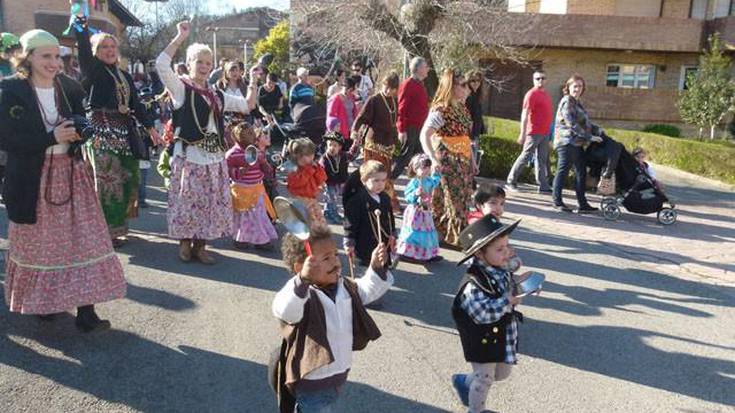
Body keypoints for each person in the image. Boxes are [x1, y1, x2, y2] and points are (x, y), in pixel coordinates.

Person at [0, 29, 126, 332]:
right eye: (46, 56)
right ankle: (46, 302)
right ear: (26, 57)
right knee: (43, 245)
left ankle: (87, 310)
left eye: (57, 56)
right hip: (33, 178)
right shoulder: (9, 91)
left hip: (71, 173)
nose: (54, 62)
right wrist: (51, 136)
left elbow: (82, 119)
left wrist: (82, 132)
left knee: (86, 240)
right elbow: (8, 140)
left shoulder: (69, 87)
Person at [156, 21, 258, 264]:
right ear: (189, 64)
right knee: (187, 201)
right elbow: (161, 64)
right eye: (199, 62)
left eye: (208, 63)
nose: (203, 66)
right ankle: (184, 243)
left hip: (213, 157)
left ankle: (201, 246)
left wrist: (253, 80)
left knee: (210, 203)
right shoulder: (180, 88)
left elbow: (247, 105)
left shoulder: (217, 94)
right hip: (190, 155)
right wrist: (179, 37)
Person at [271, 226, 393, 413]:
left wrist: (376, 266)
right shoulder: (302, 294)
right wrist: (303, 280)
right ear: (300, 267)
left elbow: (368, 290)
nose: (336, 262)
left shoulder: (344, 286)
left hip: (337, 375)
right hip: (312, 383)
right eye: (326, 258)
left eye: (335, 254)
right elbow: (285, 310)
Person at [73, 15, 159, 247]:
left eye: (112, 46)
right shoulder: (92, 70)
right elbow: (82, 47)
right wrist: (81, 25)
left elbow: (136, 106)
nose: (109, 50)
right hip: (100, 130)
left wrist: (151, 128)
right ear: (95, 51)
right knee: (105, 182)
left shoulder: (125, 75)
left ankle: (116, 228)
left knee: (124, 180)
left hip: (123, 132)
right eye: (103, 47)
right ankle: (102, 231)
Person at [451, 215, 524, 413]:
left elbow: (514, 264)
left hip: (500, 334)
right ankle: (475, 410)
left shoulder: (498, 264)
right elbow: (483, 313)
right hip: (481, 337)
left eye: (507, 245)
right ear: (480, 255)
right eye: (500, 249)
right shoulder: (473, 285)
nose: (507, 252)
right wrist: (507, 301)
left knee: (502, 373)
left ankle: (463, 381)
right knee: (484, 379)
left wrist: (522, 283)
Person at [420, 68, 476, 248]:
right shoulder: (440, 110)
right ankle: (454, 236)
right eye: (462, 85)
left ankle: (447, 233)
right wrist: (433, 159)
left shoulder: (463, 109)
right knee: (452, 199)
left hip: (464, 160)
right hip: (448, 160)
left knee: (462, 198)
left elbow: (467, 138)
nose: (466, 89)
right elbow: (424, 135)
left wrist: (473, 160)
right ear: (451, 87)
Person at [552, 74, 603, 214]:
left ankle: (582, 204)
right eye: (575, 86)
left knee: (581, 172)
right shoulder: (567, 101)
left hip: (577, 143)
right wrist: (589, 137)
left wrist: (598, 130)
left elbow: (585, 123)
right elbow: (571, 123)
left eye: (580, 86)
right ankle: (557, 202)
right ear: (568, 87)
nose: (578, 89)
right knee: (562, 171)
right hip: (567, 141)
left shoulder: (577, 102)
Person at [351, 72, 401, 211]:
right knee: (374, 174)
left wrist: (396, 140)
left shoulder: (394, 101)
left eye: (391, 88)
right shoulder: (374, 100)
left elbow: (394, 123)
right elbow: (361, 117)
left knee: (386, 175)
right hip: (374, 143)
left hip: (388, 143)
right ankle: (383, 203)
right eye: (385, 86)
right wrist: (355, 130)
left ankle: (384, 203)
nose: (387, 90)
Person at [226, 123, 278, 250]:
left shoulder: (257, 152)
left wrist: (264, 163)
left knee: (258, 216)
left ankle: (261, 240)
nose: (253, 136)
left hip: (256, 189)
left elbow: (267, 170)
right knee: (243, 217)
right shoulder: (232, 154)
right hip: (241, 190)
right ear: (237, 137)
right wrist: (239, 172)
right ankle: (241, 238)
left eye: (252, 133)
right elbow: (228, 171)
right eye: (248, 134)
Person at [506, 70, 553, 194]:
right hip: (533, 132)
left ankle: (543, 185)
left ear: (546, 80)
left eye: (542, 78)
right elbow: (525, 114)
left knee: (542, 159)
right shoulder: (531, 94)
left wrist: (550, 135)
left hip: (545, 133)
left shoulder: (546, 95)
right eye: (537, 78)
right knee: (525, 156)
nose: (540, 81)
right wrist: (522, 133)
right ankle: (511, 181)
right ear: (533, 80)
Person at [344, 160, 397, 267]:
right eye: (376, 180)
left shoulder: (385, 197)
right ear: (364, 180)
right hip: (365, 242)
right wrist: (349, 241)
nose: (380, 184)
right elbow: (350, 223)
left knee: (383, 268)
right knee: (368, 270)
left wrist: (393, 233)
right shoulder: (357, 200)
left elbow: (390, 217)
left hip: (383, 241)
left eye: (383, 180)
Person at [396, 154, 442, 263]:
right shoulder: (414, 182)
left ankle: (428, 253)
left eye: (428, 168)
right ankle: (407, 252)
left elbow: (435, 182)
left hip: (426, 210)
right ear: (415, 169)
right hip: (415, 211)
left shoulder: (428, 180)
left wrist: (437, 173)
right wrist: (415, 194)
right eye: (423, 168)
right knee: (413, 232)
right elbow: (407, 195)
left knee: (428, 231)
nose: (426, 170)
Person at [392, 57, 430, 180]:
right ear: (418, 68)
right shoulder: (408, 84)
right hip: (410, 128)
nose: (427, 69)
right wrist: (401, 130)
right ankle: (387, 183)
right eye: (425, 67)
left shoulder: (420, 84)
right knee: (403, 158)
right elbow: (401, 109)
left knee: (421, 160)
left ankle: (418, 189)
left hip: (420, 128)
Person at [286, 137, 327, 228]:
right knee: (304, 224)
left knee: (317, 222)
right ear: (300, 156)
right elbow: (298, 183)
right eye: (309, 155)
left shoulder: (311, 166)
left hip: (312, 199)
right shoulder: (294, 169)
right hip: (300, 200)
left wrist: (318, 169)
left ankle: (313, 239)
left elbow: (322, 179)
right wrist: (309, 170)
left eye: (312, 154)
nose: (313, 156)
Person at [216, 60, 250, 144]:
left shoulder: (244, 86)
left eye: (237, 70)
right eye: (232, 70)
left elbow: (250, 104)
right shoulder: (220, 85)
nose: (235, 73)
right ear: (226, 72)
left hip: (242, 122)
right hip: (225, 123)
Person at [320, 131, 349, 224]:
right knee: (331, 198)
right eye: (330, 145)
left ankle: (327, 212)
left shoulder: (342, 156)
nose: (332, 148)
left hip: (337, 181)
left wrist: (344, 180)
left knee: (333, 198)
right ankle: (333, 214)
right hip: (328, 182)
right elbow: (320, 171)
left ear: (340, 147)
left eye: (335, 145)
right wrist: (321, 182)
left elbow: (350, 157)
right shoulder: (324, 159)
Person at [326, 74, 361, 148]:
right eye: (351, 90)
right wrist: (334, 130)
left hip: (351, 130)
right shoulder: (336, 98)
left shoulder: (352, 97)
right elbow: (330, 116)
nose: (351, 92)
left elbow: (355, 113)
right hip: (340, 132)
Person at [465, 71, 486, 146]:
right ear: (468, 82)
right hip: (470, 134)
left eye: (478, 80)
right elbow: (468, 117)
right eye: (473, 80)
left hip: (476, 133)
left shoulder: (477, 96)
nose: (476, 83)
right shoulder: (468, 97)